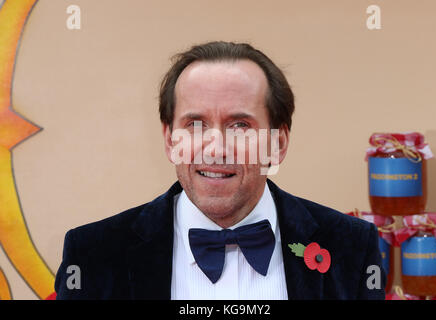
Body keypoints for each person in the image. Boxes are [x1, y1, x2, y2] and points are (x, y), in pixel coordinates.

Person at [55, 41, 385, 300]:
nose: (215, 148)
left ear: (278, 143)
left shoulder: (350, 249)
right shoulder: (92, 254)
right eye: (195, 124)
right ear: (170, 139)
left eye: (240, 125)